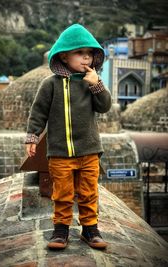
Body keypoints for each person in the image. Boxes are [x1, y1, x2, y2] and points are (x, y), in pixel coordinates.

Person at [25, 24, 111, 250]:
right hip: (60, 153)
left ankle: (90, 229)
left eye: (90, 53)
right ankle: (60, 230)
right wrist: (32, 138)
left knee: (88, 192)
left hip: (89, 150)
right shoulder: (50, 84)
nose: (86, 58)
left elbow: (105, 106)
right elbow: (38, 113)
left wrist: (97, 86)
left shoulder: (91, 82)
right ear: (64, 56)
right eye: (80, 53)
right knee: (62, 193)